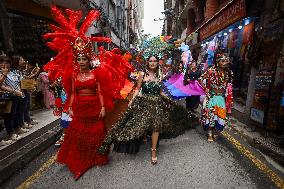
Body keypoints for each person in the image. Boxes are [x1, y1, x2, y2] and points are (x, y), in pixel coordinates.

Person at [43, 6, 132, 180]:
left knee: (96, 133)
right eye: (79, 59)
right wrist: (69, 106)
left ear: (88, 59)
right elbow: (73, 92)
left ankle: (95, 156)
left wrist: (103, 107)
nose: (82, 61)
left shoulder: (96, 73)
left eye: (84, 58)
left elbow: (100, 91)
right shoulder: (74, 74)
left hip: (94, 106)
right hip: (80, 107)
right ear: (76, 60)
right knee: (77, 133)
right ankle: (81, 157)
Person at [98, 55, 191, 165]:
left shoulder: (159, 75)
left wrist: (168, 99)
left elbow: (160, 92)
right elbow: (138, 89)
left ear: (157, 63)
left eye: (154, 61)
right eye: (150, 61)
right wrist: (132, 100)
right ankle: (143, 137)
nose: (152, 63)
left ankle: (153, 151)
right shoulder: (142, 74)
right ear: (147, 62)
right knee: (142, 124)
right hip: (144, 104)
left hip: (157, 104)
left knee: (156, 126)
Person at [199, 53, 233, 142]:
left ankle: (215, 131)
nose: (225, 63)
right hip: (212, 97)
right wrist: (206, 88)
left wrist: (228, 96)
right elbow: (200, 79)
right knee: (210, 116)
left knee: (220, 117)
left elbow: (229, 86)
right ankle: (210, 134)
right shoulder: (211, 71)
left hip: (221, 98)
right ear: (218, 62)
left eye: (226, 61)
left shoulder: (228, 72)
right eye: (223, 61)